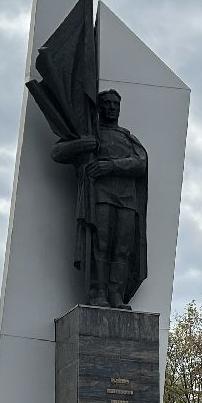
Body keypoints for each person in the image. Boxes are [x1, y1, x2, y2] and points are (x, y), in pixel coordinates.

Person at [50, 88, 149, 309]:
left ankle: (116, 294)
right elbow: (57, 152)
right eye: (108, 103)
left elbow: (140, 163)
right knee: (100, 245)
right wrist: (80, 144)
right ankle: (98, 293)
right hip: (100, 197)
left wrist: (110, 165)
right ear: (99, 107)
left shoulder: (127, 136)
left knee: (122, 249)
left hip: (127, 200)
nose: (112, 108)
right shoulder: (90, 133)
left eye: (116, 104)